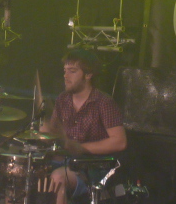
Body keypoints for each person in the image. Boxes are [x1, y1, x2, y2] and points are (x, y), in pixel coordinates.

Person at [41, 49, 127, 204]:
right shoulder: (62, 99)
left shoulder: (104, 102)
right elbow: (53, 135)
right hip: (64, 161)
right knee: (25, 172)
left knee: (58, 178)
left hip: (92, 168)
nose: (65, 76)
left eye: (72, 71)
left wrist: (81, 148)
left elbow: (119, 142)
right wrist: (45, 132)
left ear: (88, 74)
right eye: (65, 71)